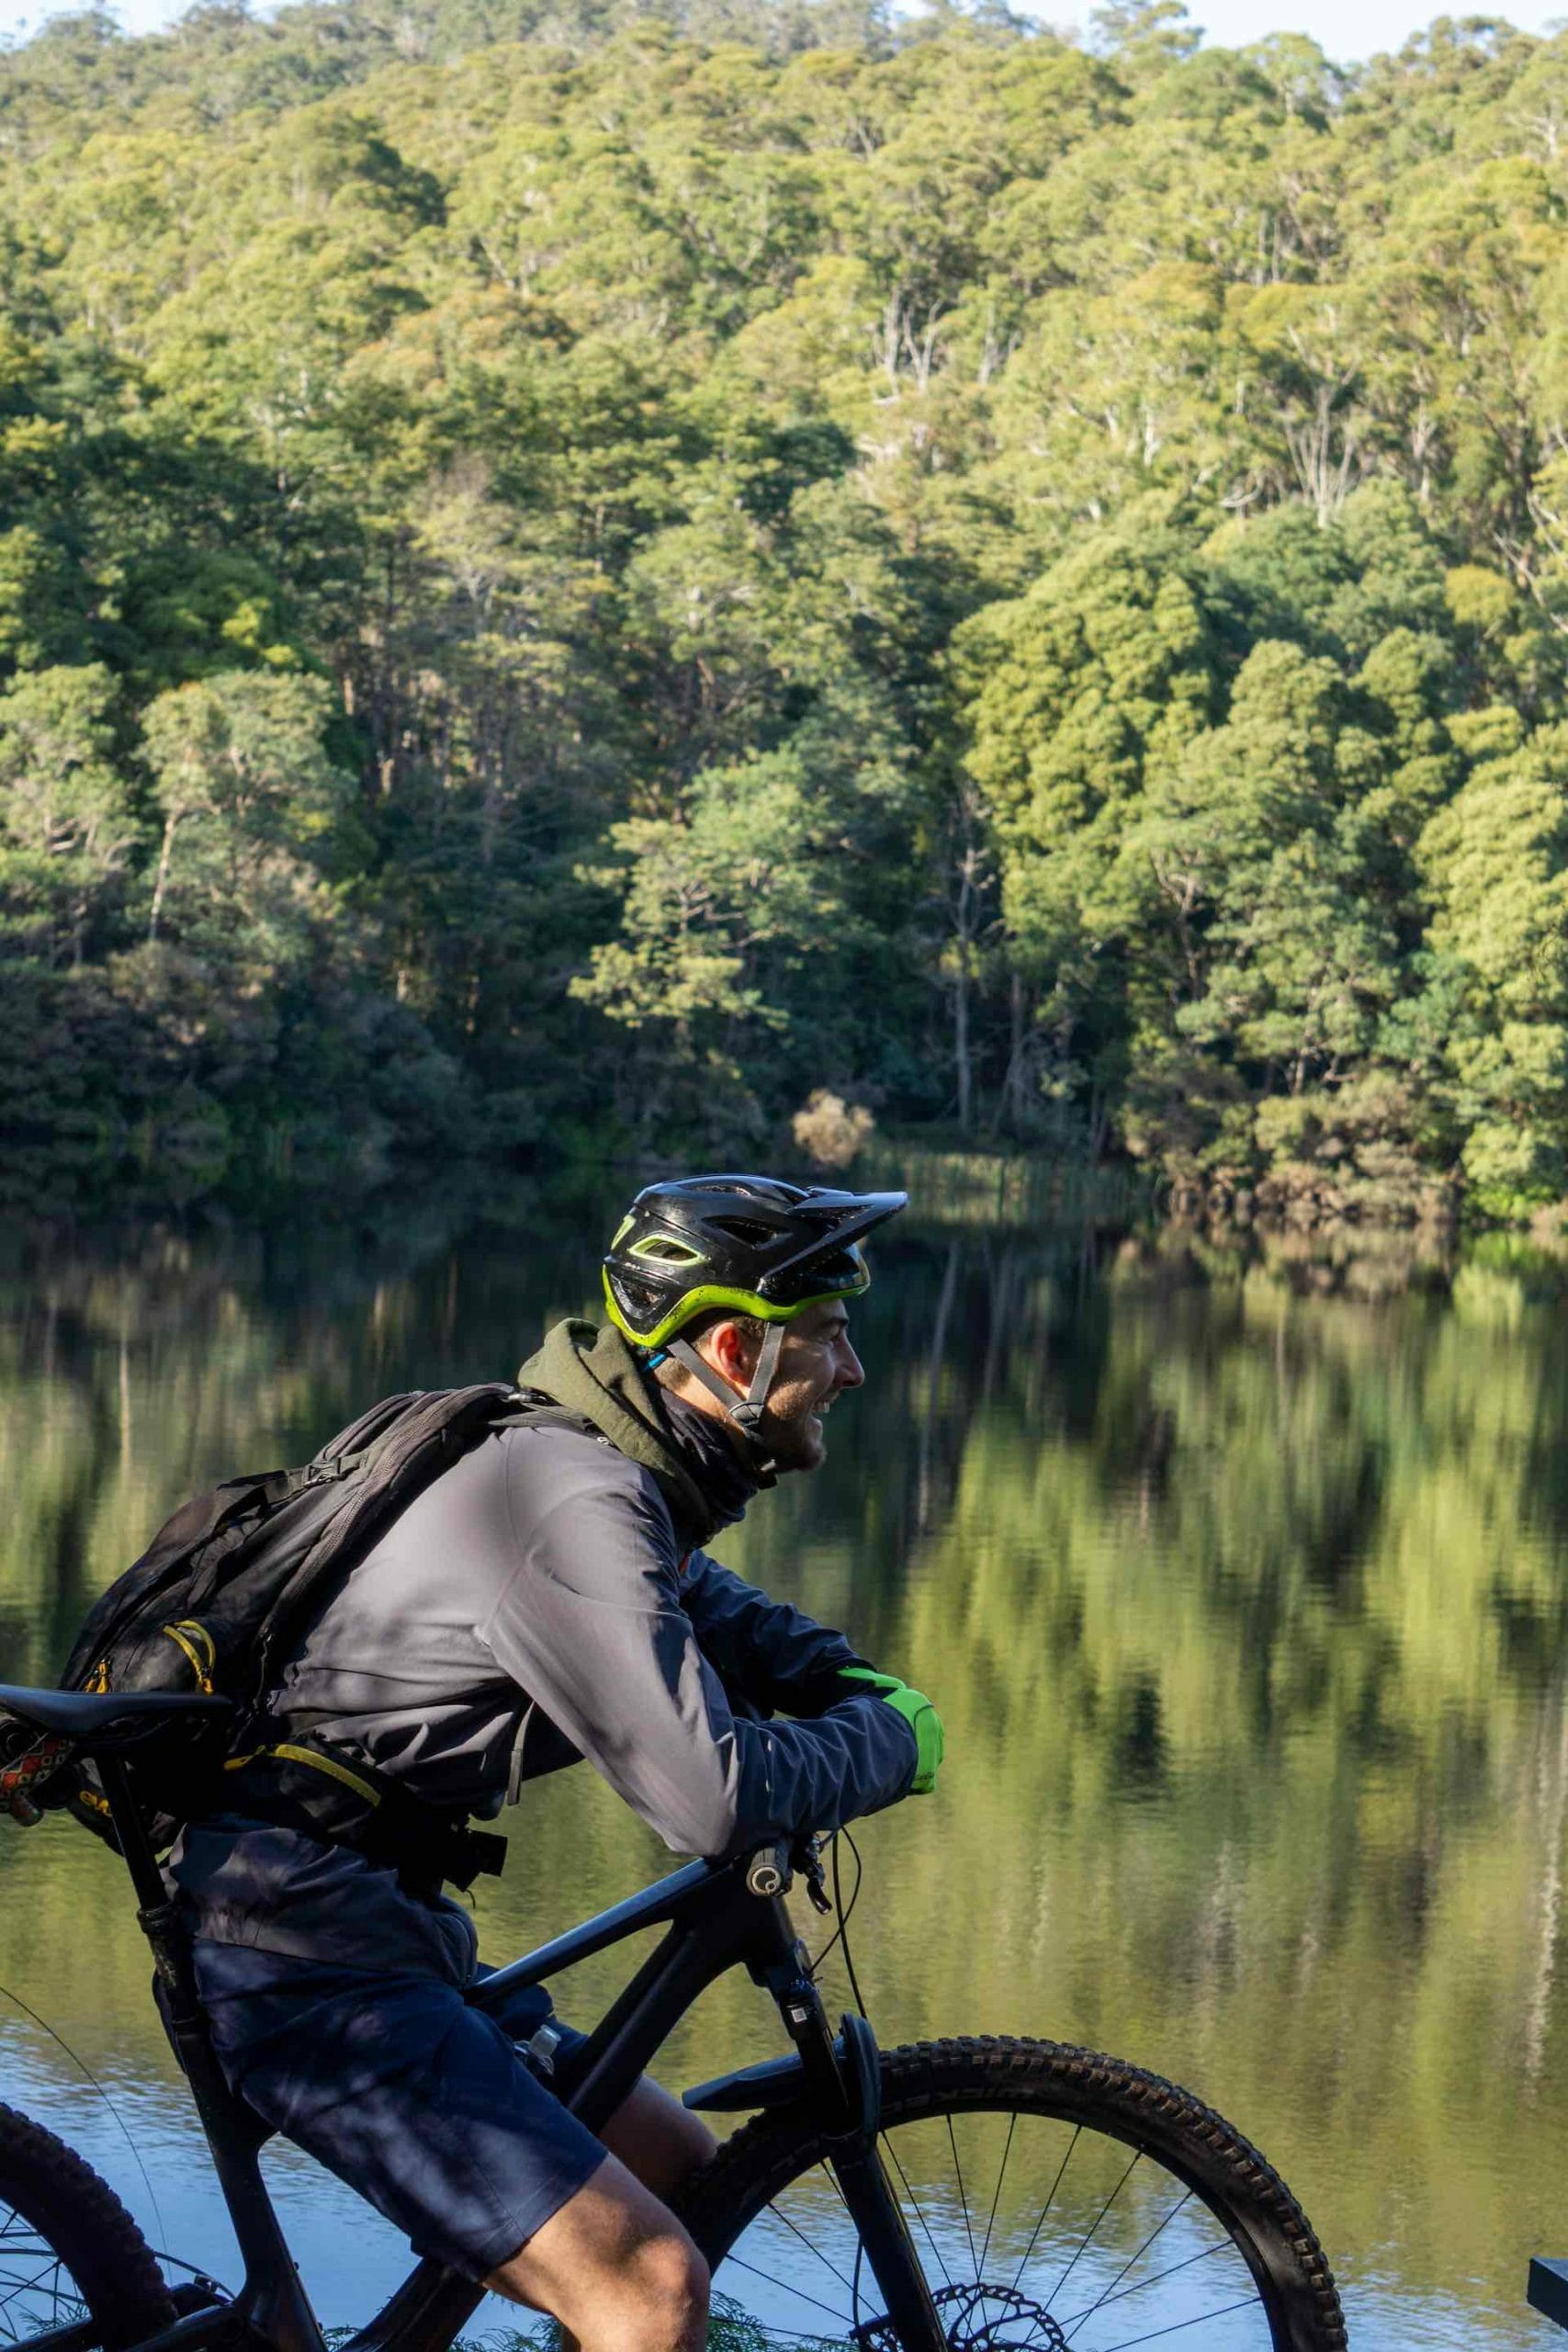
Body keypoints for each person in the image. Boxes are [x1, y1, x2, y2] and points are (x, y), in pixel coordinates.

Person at [169, 1173, 944, 2351]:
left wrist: (836, 1677)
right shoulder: (576, 1499)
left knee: (677, 2163)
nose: (853, 1371)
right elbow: (711, 1798)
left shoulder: (586, 1464)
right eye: (830, 1337)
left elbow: (688, 1596)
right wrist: (888, 1742)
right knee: (647, 2289)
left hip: (364, 1922)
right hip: (299, 1952)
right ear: (733, 1346)